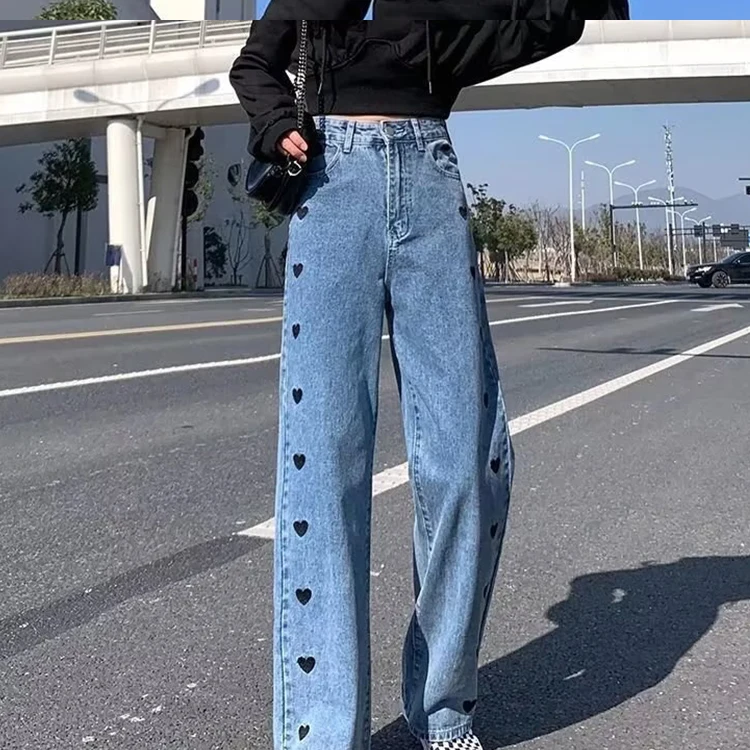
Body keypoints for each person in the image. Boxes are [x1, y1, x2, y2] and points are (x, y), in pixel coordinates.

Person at [230, 5, 628, 749]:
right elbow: (254, 63)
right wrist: (276, 120)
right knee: (324, 462)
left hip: (431, 177)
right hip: (331, 188)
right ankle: (320, 734)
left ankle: (442, 708)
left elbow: (544, 23)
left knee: (464, 464)